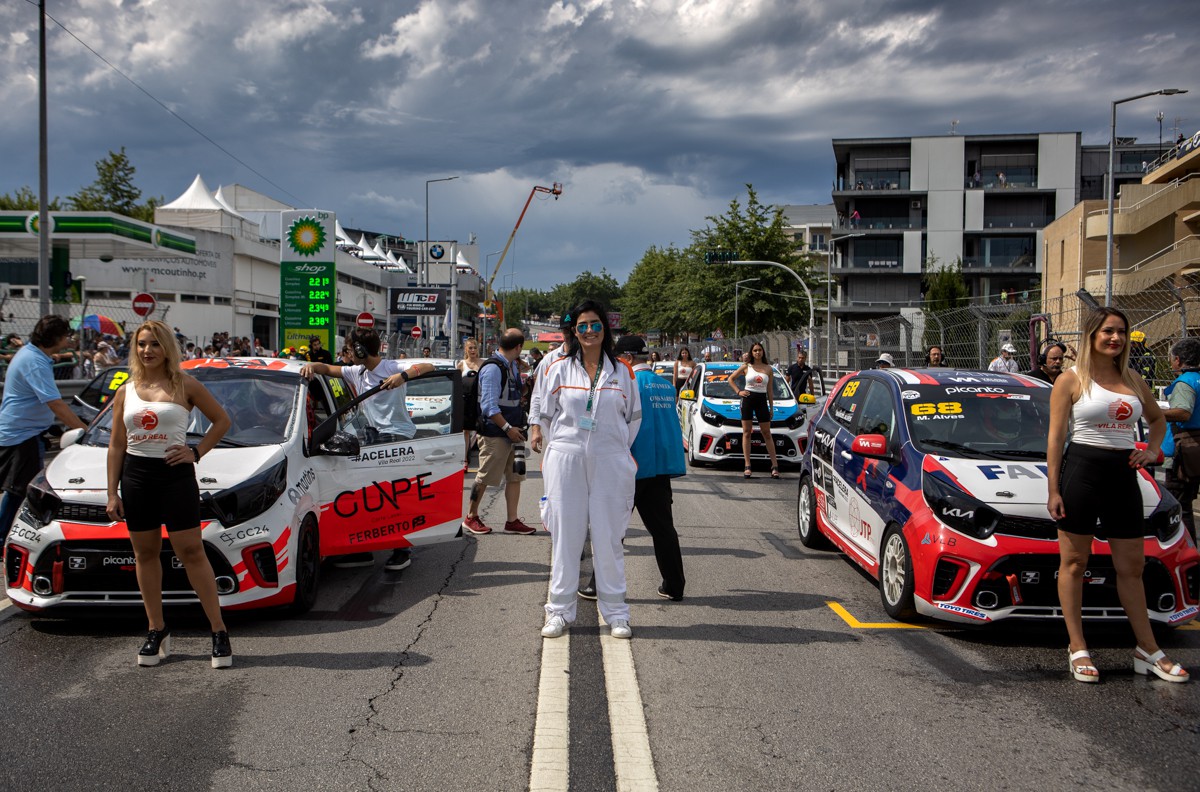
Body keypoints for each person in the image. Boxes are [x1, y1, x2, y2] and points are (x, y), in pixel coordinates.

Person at [1046, 307, 1187, 684]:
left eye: (1122, 332)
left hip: (1124, 477)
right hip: (1082, 472)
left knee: (1132, 567)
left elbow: (1157, 421)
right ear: (1092, 335)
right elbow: (1056, 438)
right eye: (1109, 331)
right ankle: (1078, 647)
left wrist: (1151, 451)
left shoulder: (1133, 378)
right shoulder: (1070, 380)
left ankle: (1147, 649)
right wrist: (1053, 489)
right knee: (1075, 563)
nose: (1116, 338)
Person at [105, 320, 233, 668]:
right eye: (142, 344)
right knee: (145, 554)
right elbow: (116, 445)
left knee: (191, 552)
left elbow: (222, 421)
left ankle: (218, 631)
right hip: (136, 477)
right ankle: (156, 629)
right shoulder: (124, 391)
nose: (148, 351)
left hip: (175, 477)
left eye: (155, 344)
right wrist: (112, 493)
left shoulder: (186, 385)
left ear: (167, 349)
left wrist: (196, 452)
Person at [530, 300, 640, 640]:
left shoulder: (623, 370)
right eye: (582, 326)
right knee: (566, 537)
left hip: (610, 458)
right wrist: (552, 444)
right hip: (567, 456)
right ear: (574, 332)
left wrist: (615, 449)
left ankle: (617, 613)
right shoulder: (557, 368)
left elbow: (632, 418)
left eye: (595, 324)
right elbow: (544, 411)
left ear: (605, 328)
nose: (589, 331)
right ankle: (559, 611)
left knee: (609, 537)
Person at [299, 327, 435, 570]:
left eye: (351, 349)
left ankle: (401, 549)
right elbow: (329, 369)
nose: (347, 354)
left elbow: (428, 367)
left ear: (361, 350)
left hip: (397, 437)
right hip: (372, 437)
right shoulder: (357, 371)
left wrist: (402, 377)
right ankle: (363, 549)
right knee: (366, 495)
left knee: (393, 497)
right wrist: (311, 367)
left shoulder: (391, 367)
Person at [0, 316, 88, 542]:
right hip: (22, 435)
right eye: (66, 336)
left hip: (22, 431)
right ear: (56, 338)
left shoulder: (33, 355)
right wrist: (85, 429)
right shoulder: (35, 362)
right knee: (21, 491)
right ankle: (4, 538)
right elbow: (55, 403)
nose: (69, 340)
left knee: (18, 489)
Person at [616, 335, 686, 601]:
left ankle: (598, 584)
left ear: (629, 359)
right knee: (663, 530)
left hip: (632, 465)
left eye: (619, 358)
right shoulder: (666, 386)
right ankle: (674, 585)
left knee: (614, 529)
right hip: (661, 465)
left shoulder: (628, 384)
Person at [462, 329, 535, 536]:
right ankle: (471, 517)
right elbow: (489, 407)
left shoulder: (511, 365)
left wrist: (526, 386)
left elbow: (511, 395)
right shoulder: (494, 368)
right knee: (485, 476)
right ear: (519, 347)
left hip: (512, 431)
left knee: (515, 477)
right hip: (496, 432)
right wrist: (507, 429)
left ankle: (512, 521)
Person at [1162, 337, 1200, 543]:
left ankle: (1186, 548)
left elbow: (1184, 412)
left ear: (1177, 360)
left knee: (1178, 505)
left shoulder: (1185, 382)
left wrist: (1154, 412)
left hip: (1182, 453)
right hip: (1194, 451)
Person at [729, 342, 780, 479]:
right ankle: (747, 465)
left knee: (766, 433)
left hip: (762, 400)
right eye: (755, 350)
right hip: (748, 399)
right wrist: (738, 391)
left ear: (763, 352)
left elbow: (770, 390)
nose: (757, 352)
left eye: (760, 350)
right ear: (751, 352)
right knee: (747, 432)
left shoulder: (768, 369)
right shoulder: (746, 366)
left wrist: (771, 406)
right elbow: (731, 379)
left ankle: (774, 466)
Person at [458, 338, 485, 468]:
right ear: (466, 350)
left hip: (480, 401)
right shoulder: (461, 364)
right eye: (470, 348)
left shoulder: (484, 363)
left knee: (481, 430)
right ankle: (464, 460)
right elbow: (456, 384)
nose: (473, 350)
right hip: (466, 401)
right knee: (465, 431)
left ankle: (483, 460)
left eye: (475, 347)